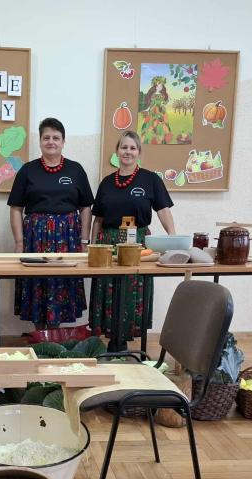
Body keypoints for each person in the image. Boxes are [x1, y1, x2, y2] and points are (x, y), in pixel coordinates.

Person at [89, 131, 176, 344]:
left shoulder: (150, 179)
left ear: (139, 152)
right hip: (108, 243)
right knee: (108, 289)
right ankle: (111, 341)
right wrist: (92, 246)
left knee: (133, 289)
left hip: (138, 244)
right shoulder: (107, 182)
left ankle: (126, 340)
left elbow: (163, 210)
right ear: (117, 151)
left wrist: (173, 240)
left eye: (132, 148)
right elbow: (98, 219)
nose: (128, 152)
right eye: (124, 147)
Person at [8, 117, 94, 328]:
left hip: (68, 238)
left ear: (63, 141)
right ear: (40, 141)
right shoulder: (28, 170)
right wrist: (19, 242)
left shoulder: (75, 170)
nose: (51, 142)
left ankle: (55, 336)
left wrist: (84, 241)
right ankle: (40, 335)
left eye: (56, 137)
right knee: (37, 283)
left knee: (63, 283)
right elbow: (16, 208)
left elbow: (85, 207)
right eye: (46, 137)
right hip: (35, 238)